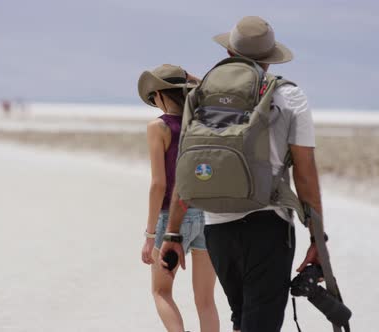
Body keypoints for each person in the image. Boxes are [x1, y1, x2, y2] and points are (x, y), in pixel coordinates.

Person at [159, 16, 325, 332]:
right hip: (269, 225)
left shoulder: (200, 93)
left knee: (241, 318)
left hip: (217, 228)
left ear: (231, 53)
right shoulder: (290, 97)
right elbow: (305, 175)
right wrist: (318, 237)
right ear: (268, 59)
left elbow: (187, 166)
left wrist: (172, 234)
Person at [137, 64, 220, 332]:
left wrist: (150, 236)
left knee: (161, 292)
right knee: (206, 300)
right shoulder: (203, 123)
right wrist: (192, 82)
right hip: (207, 217)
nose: (154, 103)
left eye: (153, 97)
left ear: (160, 95)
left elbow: (158, 185)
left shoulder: (159, 128)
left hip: (172, 219)